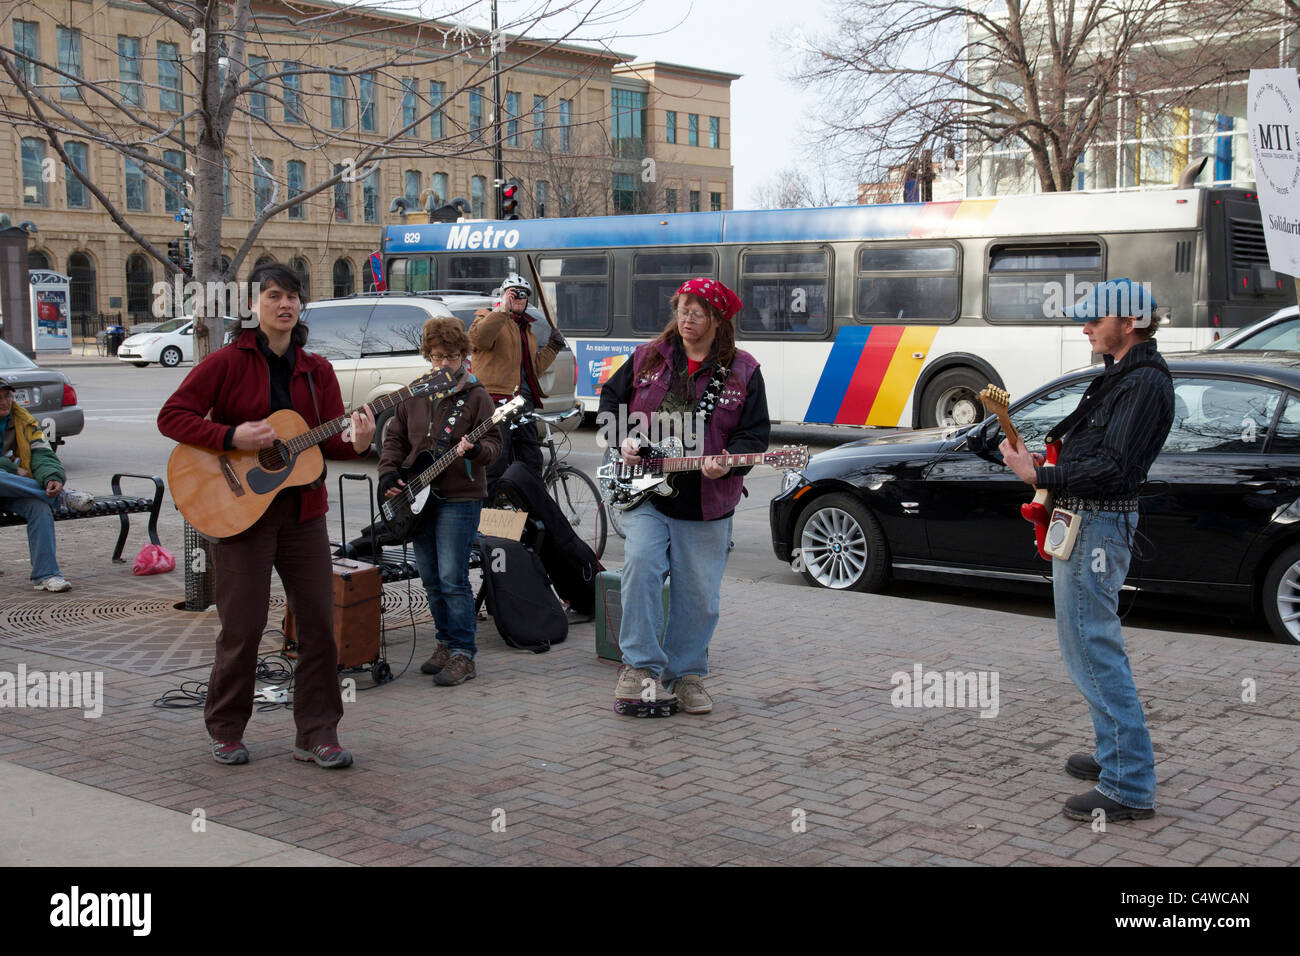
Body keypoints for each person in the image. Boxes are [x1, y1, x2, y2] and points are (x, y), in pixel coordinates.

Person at [158, 263, 375, 769]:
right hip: (240, 515)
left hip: (303, 515)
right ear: (253, 305)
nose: (284, 304)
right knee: (244, 626)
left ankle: (317, 733)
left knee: (320, 624)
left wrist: (358, 442)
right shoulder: (227, 362)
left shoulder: (316, 370)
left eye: (292, 296)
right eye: (274, 295)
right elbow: (173, 417)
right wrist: (232, 437)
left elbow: (325, 445)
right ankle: (227, 728)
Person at [999, 277, 1174, 823]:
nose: (1086, 327)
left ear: (1130, 323)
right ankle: (1112, 755)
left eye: (1095, 320)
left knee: (1092, 646)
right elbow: (1098, 451)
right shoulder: (1123, 375)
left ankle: (1128, 783)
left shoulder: (1142, 382)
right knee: (1087, 643)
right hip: (1092, 521)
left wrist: (1041, 472)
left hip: (1098, 523)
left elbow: (1115, 468)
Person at [597, 278, 769, 715]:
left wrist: (730, 461)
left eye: (697, 311)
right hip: (647, 495)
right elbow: (610, 404)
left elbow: (754, 436)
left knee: (698, 595)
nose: (687, 318)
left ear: (717, 320)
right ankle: (640, 667)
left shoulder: (743, 370)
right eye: (682, 309)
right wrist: (622, 442)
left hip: (707, 500)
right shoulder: (647, 357)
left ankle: (686, 675)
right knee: (641, 566)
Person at [379, 318, 501, 686]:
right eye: (435, 357)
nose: (442, 364)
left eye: (449, 356)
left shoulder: (477, 396)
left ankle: (464, 653)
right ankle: (445, 643)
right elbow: (395, 440)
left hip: (459, 498)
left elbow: (495, 446)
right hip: (418, 498)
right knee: (430, 578)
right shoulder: (414, 393)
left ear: (463, 355)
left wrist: (476, 449)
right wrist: (388, 473)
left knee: (452, 577)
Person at [468, 272, 565, 484]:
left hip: (522, 403)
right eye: (514, 294)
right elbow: (480, 340)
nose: (519, 298)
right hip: (495, 401)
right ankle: (490, 509)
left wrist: (553, 347)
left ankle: (525, 506)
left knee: (531, 460)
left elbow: (533, 368)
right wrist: (503, 308)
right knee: (497, 460)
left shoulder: (527, 330)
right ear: (503, 296)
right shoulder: (486, 318)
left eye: (523, 295)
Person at [0, 376, 94, 591]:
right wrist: (13, 467)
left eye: (7, 396)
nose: (4, 402)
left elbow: (43, 453)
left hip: (13, 490)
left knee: (40, 506)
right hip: (9, 480)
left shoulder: (23, 420)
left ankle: (46, 575)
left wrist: (52, 478)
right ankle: (63, 497)